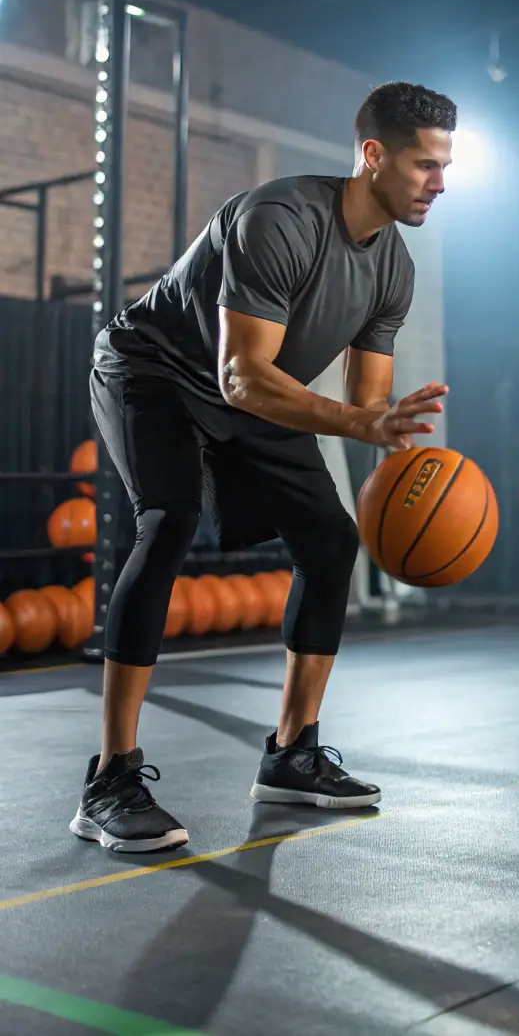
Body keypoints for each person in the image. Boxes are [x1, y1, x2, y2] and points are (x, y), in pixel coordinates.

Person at [72, 82, 456, 854]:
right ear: (372, 154)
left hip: (247, 388)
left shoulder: (395, 270)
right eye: (424, 164)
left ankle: (292, 753)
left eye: (445, 166)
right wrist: (360, 421)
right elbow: (242, 375)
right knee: (169, 518)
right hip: (152, 368)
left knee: (331, 538)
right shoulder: (279, 217)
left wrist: (399, 474)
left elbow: (366, 405)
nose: (439, 183)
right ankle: (110, 776)